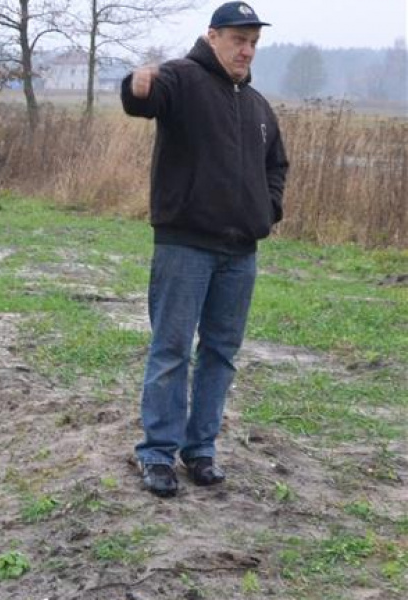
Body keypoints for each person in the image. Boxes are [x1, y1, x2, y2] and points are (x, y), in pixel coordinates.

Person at [120, 1, 289, 498]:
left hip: (241, 253)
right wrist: (135, 85)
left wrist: (268, 207)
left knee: (220, 353)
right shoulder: (183, 79)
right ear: (213, 36)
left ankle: (200, 450)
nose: (247, 49)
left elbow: (277, 165)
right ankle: (156, 454)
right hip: (185, 246)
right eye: (239, 39)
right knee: (171, 351)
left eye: (254, 42)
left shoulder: (258, 107)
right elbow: (144, 99)